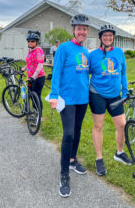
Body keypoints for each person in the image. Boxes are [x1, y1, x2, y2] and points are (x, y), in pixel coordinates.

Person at [49, 14, 90, 197]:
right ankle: (64, 174)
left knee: (78, 130)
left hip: (82, 98)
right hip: (67, 99)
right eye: (79, 28)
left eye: (84, 29)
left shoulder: (86, 52)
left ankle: (73, 160)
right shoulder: (64, 49)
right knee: (69, 134)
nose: (82, 31)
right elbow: (56, 72)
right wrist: (53, 94)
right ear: (73, 30)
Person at [89, 24, 133, 176]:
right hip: (97, 94)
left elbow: (123, 73)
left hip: (115, 95)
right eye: (105, 35)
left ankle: (119, 153)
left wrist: (125, 91)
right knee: (98, 126)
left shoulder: (119, 53)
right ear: (100, 37)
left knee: (121, 125)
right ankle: (99, 159)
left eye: (110, 35)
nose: (108, 37)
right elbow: (82, 74)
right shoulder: (93, 55)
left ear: (113, 37)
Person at [22, 30, 45, 111]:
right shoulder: (30, 51)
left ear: (37, 42)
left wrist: (34, 76)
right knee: (30, 95)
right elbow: (29, 63)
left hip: (38, 77)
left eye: (32, 41)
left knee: (36, 96)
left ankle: (38, 115)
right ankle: (33, 113)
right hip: (31, 77)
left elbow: (40, 64)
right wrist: (23, 69)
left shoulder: (38, 51)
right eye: (29, 41)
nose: (30, 42)